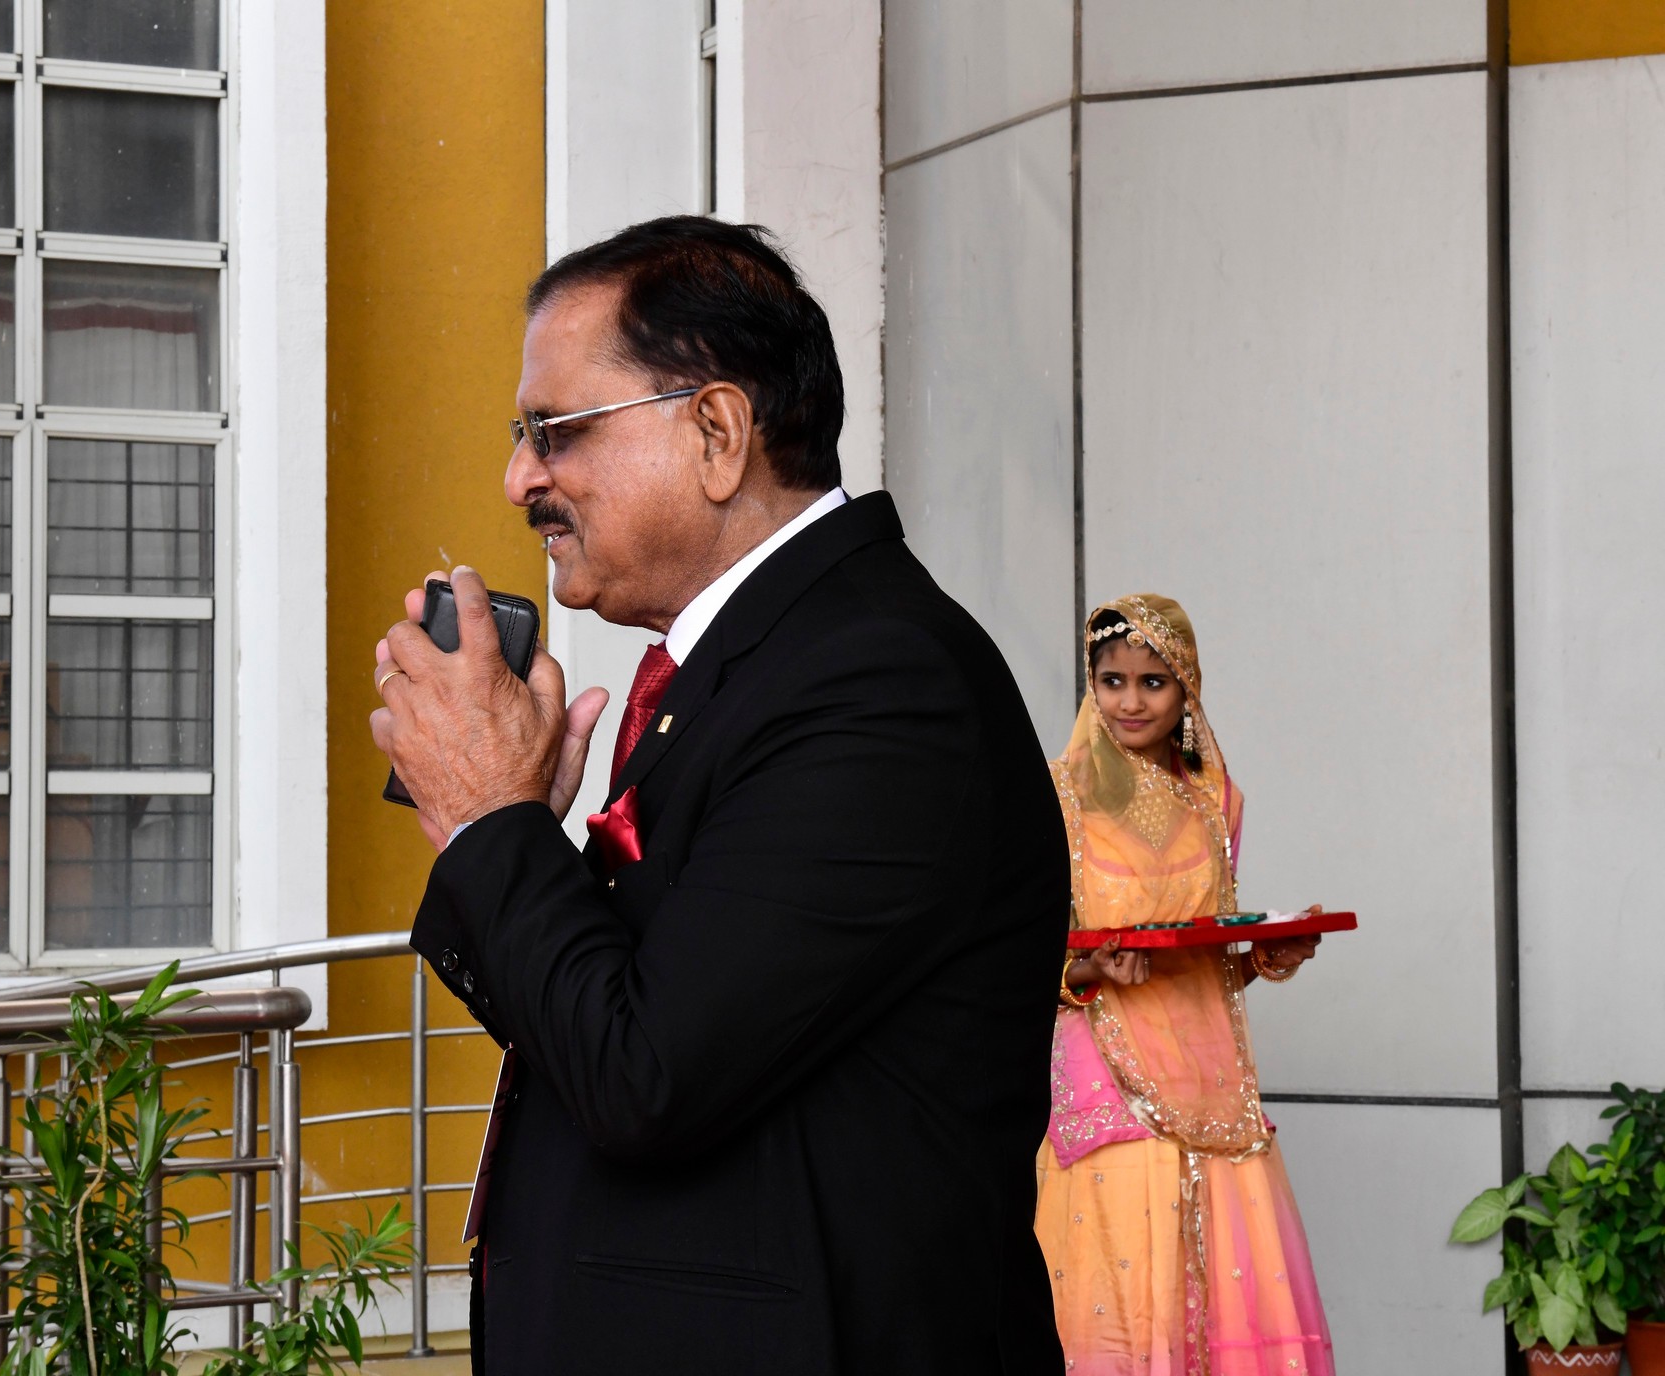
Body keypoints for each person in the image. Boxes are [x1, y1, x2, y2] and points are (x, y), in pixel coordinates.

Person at [368, 216, 1068, 1375]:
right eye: (520, 435)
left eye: (556, 431)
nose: (520, 478)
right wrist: (502, 830)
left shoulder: (879, 681)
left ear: (716, 432)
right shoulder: (752, 665)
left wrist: (494, 822)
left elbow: (645, 1076)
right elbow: (625, 1024)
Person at [1037, 594, 1333, 1376]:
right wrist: (1088, 971)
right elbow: (1009, 955)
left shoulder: (1215, 800)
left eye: (1153, 682)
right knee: (1121, 1300)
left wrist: (1268, 955)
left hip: (1211, 1082)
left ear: (1187, 688)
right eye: (1112, 681)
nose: (1130, 702)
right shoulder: (1057, 797)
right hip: (1104, 1075)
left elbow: (1208, 957)